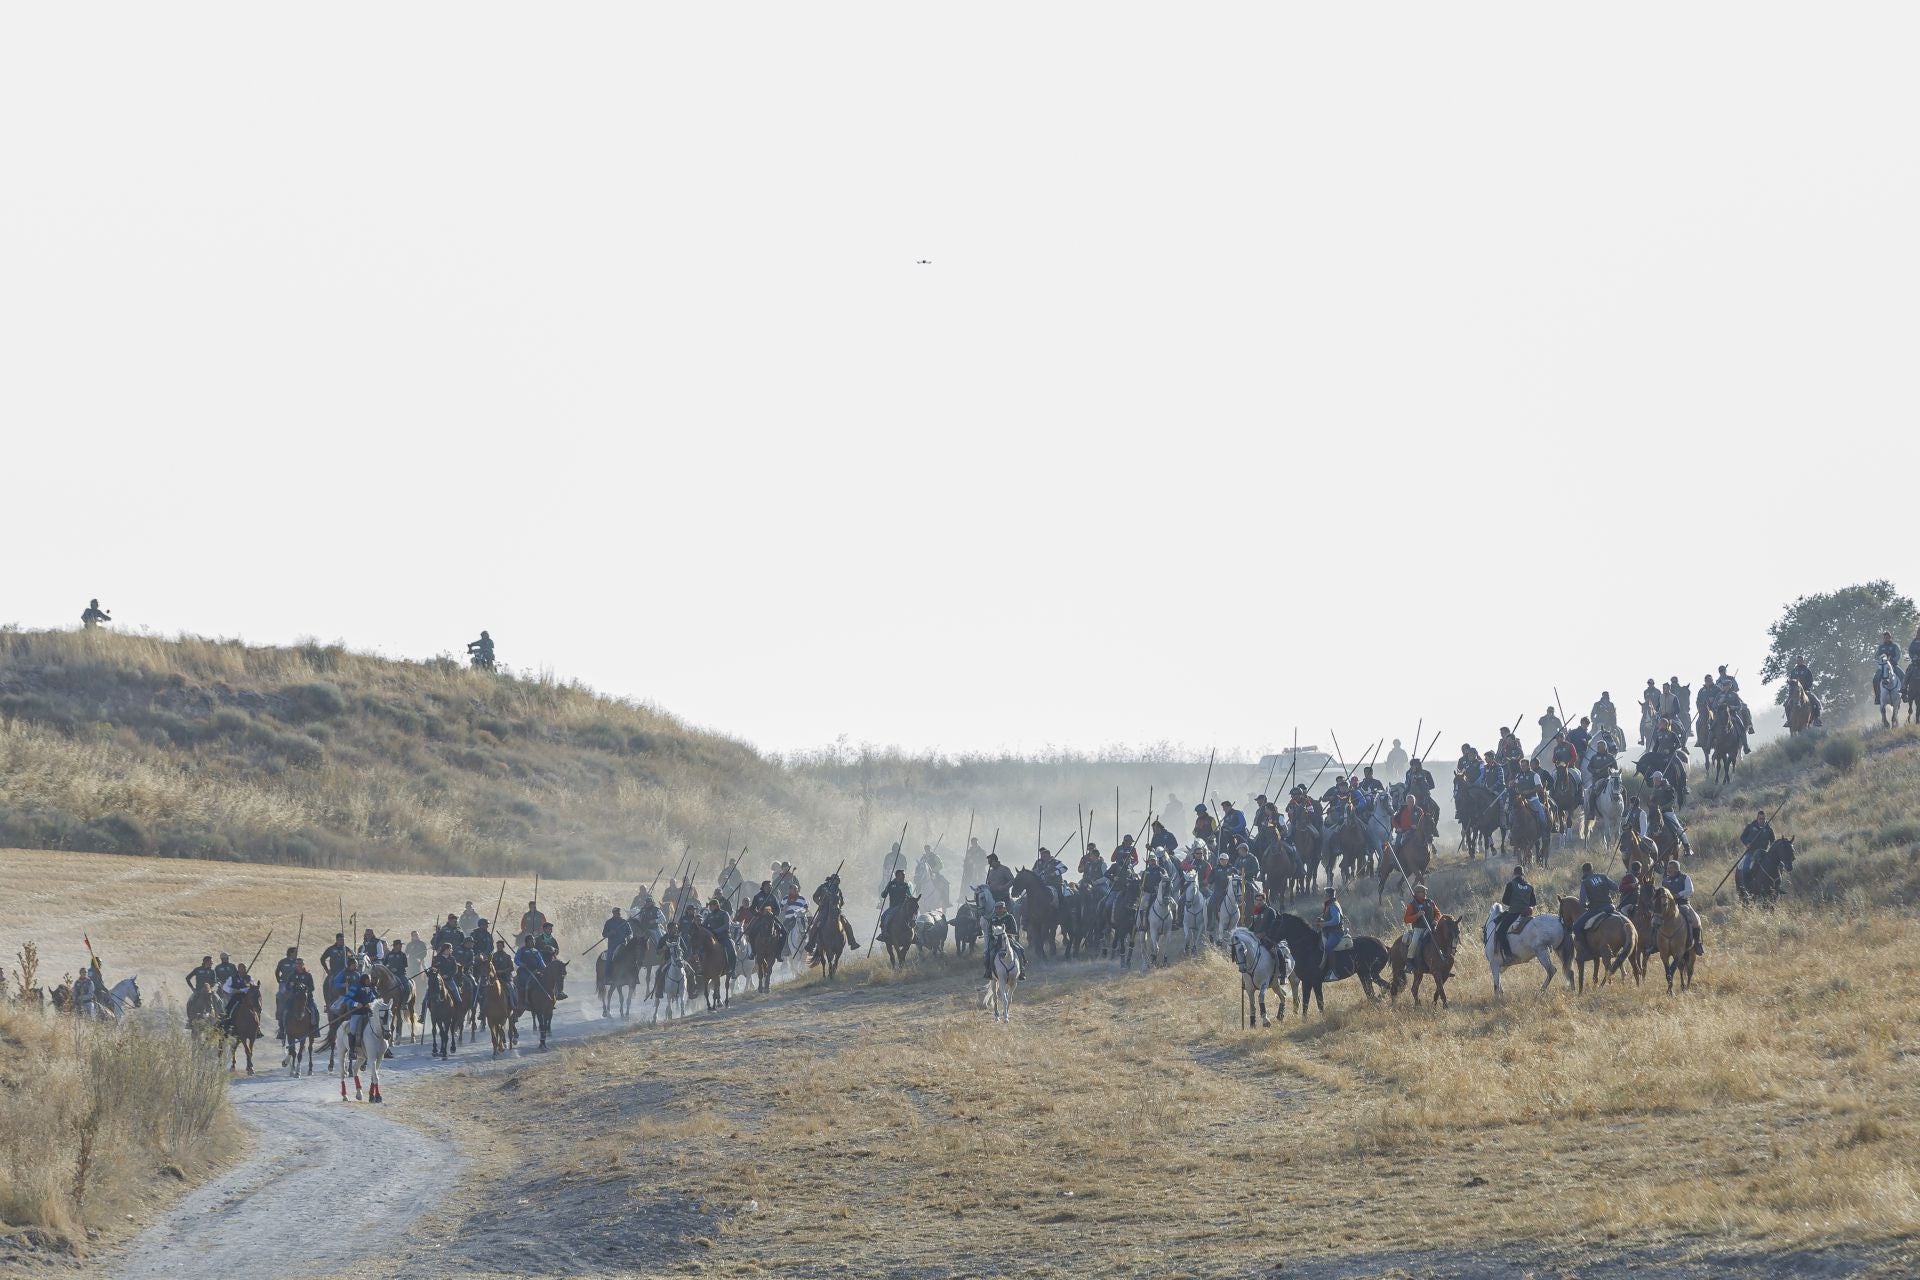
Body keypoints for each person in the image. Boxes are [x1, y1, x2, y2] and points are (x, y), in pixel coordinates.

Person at [1662, 859, 1704, 956]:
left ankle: (1697, 943)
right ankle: (1654, 943)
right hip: (1667, 906)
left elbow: (1690, 890)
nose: (1669, 870)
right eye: (1668, 868)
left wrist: (1679, 895)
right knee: (1655, 919)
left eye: (1671, 868)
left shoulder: (1684, 878)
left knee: (1696, 921)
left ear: (1677, 869)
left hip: (1683, 904)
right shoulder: (1665, 880)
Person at [1572, 862, 1617, 950]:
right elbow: (1615, 887)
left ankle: (1586, 950)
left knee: (1576, 927)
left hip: (1596, 910)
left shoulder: (1585, 882)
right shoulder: (1603, 876)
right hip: (1610, 907)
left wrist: (1587, 906)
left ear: (1584, 872)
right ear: (1592, 869)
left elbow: (1582, 902)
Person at [1493, 865, 1534, 960]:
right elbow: (1533, 902)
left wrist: (1514, 904)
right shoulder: (1529, 886)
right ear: (1522, 874)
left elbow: (1505, 901)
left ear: (1514, 874)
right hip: (1527, 913)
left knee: (1500, 932)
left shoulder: (1511, 884)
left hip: (1514, 913)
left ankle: (1508, 955)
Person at [1649, 772, 1692, 856]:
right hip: (1657, 812)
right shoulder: (1655, 787)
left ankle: (1687, 847)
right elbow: (1653, 799)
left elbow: (1671, 802)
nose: (1653, 780)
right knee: (1649, 825)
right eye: (1653, 779)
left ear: (1658, 779)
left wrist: (1661, 808)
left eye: (1654, 779)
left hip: (1668, 811)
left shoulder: (1668, 788)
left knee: (1678, 828)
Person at [981, 899, 1025, 980]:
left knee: (1019, 949)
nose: (999, 910)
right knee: (988, 953)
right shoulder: (993, 919)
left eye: (1001, 908)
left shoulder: (1010, 917)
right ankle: (988, 971)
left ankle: (1021, 971)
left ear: (1004, 908)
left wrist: (1004, 934)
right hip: (995, 941)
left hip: (1007, 939)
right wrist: (994, 935)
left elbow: (1014, 930)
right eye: (997, 908)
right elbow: (989, 931)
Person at [1402, 886, 1438, 972]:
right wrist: (1417, 915)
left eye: (1425, 891)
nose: (1425, 893)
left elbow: (1438, 913)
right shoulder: (1412, 905)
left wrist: (1436, 920)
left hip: (1432, 927)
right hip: (1419, 929)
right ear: (1417, 894)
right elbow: (1406, 919)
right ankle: (1409, 962)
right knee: (1414, 942)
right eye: (1423, 892)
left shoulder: (1431, 902)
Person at [218, 963, 258, 1033]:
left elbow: (253, 988)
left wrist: (242, 990)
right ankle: (226, 1025)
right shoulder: (232, 978)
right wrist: (232, 990)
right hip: (236, 997)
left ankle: (257, 1028)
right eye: (241, 969)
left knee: (255, 1009)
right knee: (229, 1009)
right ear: (238, 969)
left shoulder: (250, 978)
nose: (243, 970)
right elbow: (225, 987)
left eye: (244, 969)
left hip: (246, 997)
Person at [1787, 652, 1823, 725]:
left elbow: (1810, 681)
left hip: (1806, 690)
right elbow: (1791, 681)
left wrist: (1805, 688)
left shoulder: (1807, 670)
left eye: (1800, 660)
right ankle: (1789, 721)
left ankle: (1817, 719)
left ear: (1803, 661)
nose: (1799, 661)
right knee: (1787, 704)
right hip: (1795, 692)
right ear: (1796, 661)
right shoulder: (1794, 671)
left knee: (1816, 702)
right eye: (1798, 660)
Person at [1315, 888, 1346, 971]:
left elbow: (1336, 920)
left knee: (1328, 947)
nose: (1323, 896)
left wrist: (1323, 924)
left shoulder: (1333, 906)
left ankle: (1332, 971)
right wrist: (1322, 919)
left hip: (1336, 932)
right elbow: (1329, 918)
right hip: (1329, 931)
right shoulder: (1329, 905)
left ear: (1328, 896)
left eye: (1325, 894)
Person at [877, 868, 913, 936]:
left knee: (913, 918)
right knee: (883, 916)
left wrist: (912, 898)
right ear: (897, 876)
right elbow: (883, 895)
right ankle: (884, 934)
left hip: (904, 908)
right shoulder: (891, 884)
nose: (904, 876)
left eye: (904, 875)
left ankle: (915, 936)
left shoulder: (905, 885)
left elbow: (910, 896)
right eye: (902, 875)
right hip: (893, 907)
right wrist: (886, 891)